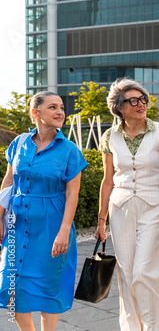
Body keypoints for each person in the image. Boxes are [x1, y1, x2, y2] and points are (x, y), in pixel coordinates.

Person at [0, 91, 88, 330]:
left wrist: (64, 231)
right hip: (16, 224)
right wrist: (0, 217)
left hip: (52, 225)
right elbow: (9, 181)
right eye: (52, 107)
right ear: (35, 113)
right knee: (11, 284)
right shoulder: (18, 143)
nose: (60, 112)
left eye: (61, 107)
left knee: (49, 286)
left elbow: (72, 194)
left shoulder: (70, 150)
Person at [94, 78, 159, 331]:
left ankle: (153, 328)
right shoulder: (110, 136)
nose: (141, 104)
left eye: (143, 99)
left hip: (156, 206)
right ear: (119, 107)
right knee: (126, 275)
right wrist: (101, 221)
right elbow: (108, 181)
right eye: (133, 101)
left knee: (144, 272)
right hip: (121, 208)